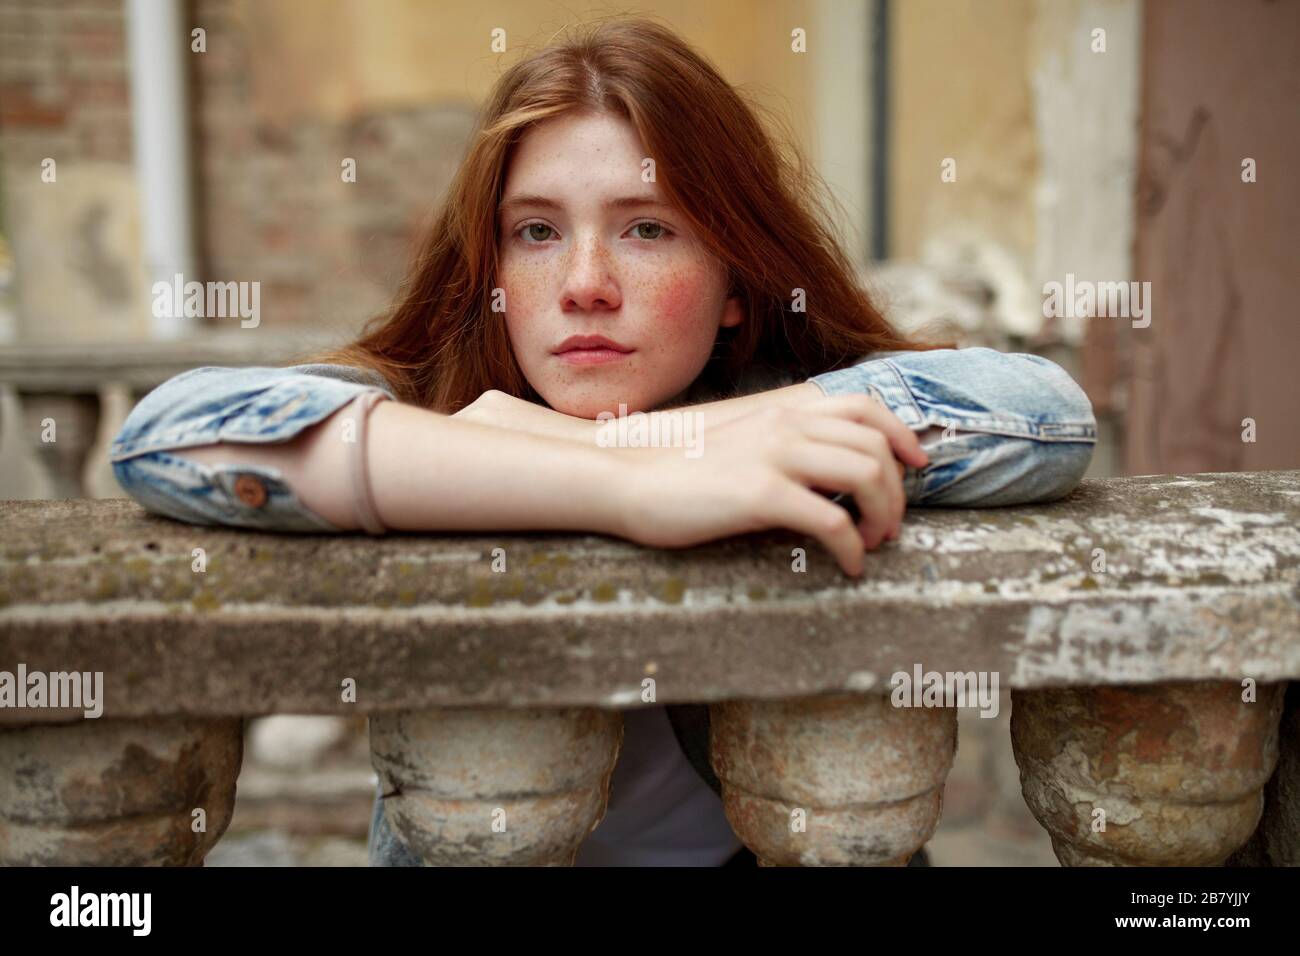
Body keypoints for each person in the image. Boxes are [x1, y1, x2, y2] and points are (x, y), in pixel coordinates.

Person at [109, 17, 1097, 866]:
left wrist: (650, 441)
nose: (584, 281)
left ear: (737, 283)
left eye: (647, 229)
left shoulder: (784, 412)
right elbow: (169, 437)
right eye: (536, 232)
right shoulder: (441, 405)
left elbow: (1040, 413)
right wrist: (623, 486)